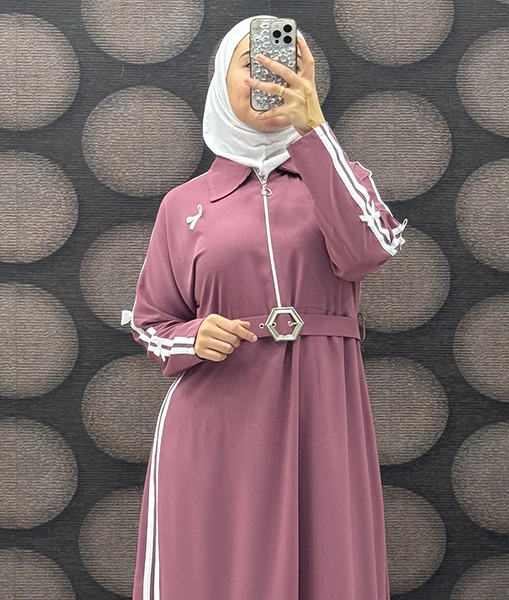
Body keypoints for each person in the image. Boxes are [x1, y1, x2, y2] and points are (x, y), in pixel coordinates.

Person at [124, 14, 407, 600]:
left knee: (331, 570)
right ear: (220, 81)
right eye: (252, 63)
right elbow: (152, 324)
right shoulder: (184, 204)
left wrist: (315, 131)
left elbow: (368, 251)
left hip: (323, 413)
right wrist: (193, 337)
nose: (270, 75)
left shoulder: (340, 179)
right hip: (217, 424)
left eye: (288, 63)